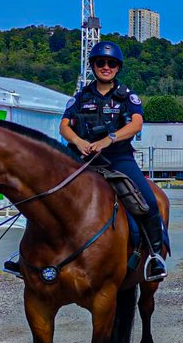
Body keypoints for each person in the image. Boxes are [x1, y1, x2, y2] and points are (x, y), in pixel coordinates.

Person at [59, 41, 168, 281]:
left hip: (117, 157)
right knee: (47, 190)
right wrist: (78, 142)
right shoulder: (81, 96)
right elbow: (64, 126)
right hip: (82, 156)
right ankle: (28, 254)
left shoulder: (127, 96)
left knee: (149, 201)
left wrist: (110, 139)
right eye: (101, 63)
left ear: (117, 68)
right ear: (93, 66)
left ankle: (155, 256)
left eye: (111, 63)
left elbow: (136, 123)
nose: (105, 67)